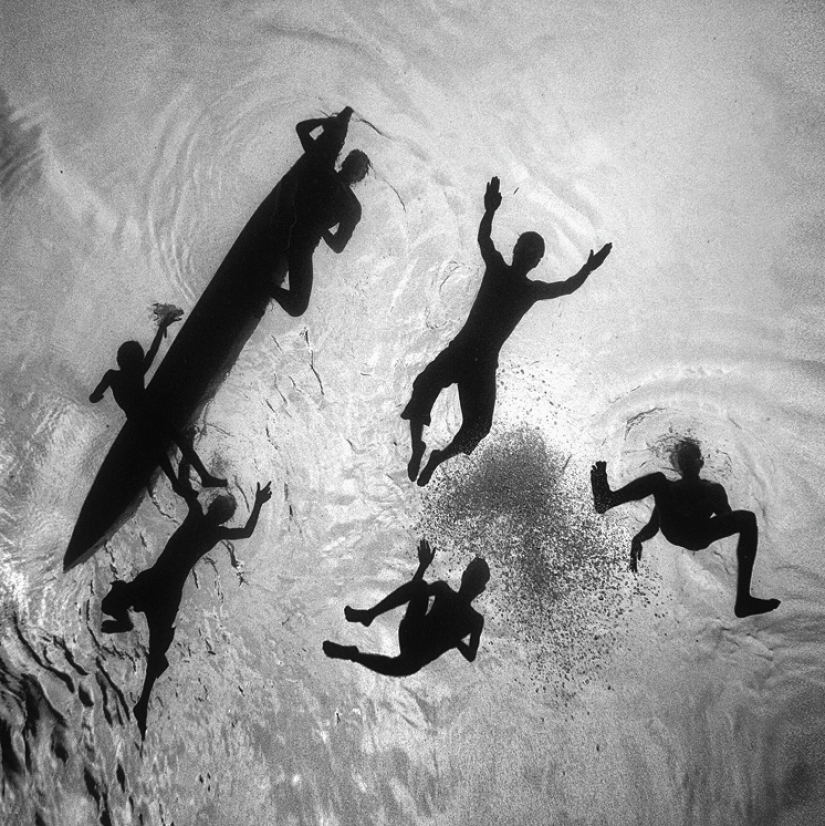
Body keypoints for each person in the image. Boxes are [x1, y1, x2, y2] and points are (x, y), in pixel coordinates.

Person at [403, 176, 612, 486]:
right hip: (463, 351)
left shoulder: (530, 289)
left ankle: (438, 457)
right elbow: (484, 240)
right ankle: (417, 445)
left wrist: (587, 269)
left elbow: (567, 287)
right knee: (425, 386)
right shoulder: (500, 269)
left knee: (479, 427)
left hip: (482, 362)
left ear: (536, 260)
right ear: (517, 249)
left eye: (531, 251)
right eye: (523, 246)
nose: (525, 252)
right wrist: (489, 211)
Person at [101, 460, 272, 738]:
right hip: (166, 589)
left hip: (158, 582)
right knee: (154, 648)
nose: (217, 511)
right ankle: (141, 696)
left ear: (214, 508)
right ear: (220, 514)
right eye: (222, 508)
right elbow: (245, 531)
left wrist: (180, 455)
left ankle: (141, 698)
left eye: (220, 508)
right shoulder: (214, 530)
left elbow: (180, 482)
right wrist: (258, 503)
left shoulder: (196, 514)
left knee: (122, 609)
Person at [590, 439, 781, 618]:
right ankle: (607, 500)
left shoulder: (713, 489)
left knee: (748, 518)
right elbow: (654, 524)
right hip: (675, 528)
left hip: (700, 532)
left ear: (700, 462)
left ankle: (744, 600)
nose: (687, 462)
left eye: (691, 458)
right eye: (683, 458)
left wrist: (708, 504)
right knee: (657, 479)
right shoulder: (671, 488)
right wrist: (638, 539)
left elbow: (727, 519)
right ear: (678, 464)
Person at [89, 314, 226, 497]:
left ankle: (177, 482)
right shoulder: (138, 371)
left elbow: (93, 396)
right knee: (179, 440)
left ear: (119, 359)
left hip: (137, 421)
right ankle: (203, 476)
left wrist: (98, 396)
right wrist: (162, 328)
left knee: (158, 450)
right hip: (151, 413)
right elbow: (153, 351)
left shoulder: (112, 376)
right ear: (137, 360)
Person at [323, 539, 489, 676]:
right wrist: (423, 566)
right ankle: (369, 615)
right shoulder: (443, 590)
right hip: (412, 630)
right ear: (463, 575)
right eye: (470, 573)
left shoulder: (475, 620)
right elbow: (414, 588)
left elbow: (471, 655)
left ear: (481, 589)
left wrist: (457, 642)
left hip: (418, 656)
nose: (470, 580)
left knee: (402, 665)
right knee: (421, 586)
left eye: (475, 579)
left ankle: (352, 655)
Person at [269, 107, 370, 317]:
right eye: (355, 162)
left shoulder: (349, 202)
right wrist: (329, 122)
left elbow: (339, 246)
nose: (356, 167)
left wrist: (326, 122)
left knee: (298, 306)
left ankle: (263, 286)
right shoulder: (326, 171)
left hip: (299, 241)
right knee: (297, 305)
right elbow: (301, 130)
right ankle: (264, 287)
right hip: (297, 239)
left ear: (361, 177)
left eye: (360, 166)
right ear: (346, 163)